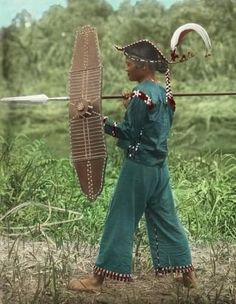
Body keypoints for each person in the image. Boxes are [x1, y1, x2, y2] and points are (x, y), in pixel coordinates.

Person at [68, 39, 197, 291]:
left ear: (141, 65)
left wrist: (97, 118)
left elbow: (127, 132)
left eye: (128, 64)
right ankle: (190, 277)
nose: (126, 69)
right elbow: (152, 126)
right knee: (167, 219)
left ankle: (96, 280)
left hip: (138, 169)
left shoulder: (142, 95)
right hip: (159, 169)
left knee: (121, 218)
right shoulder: (163, 94)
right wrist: (131, 106)